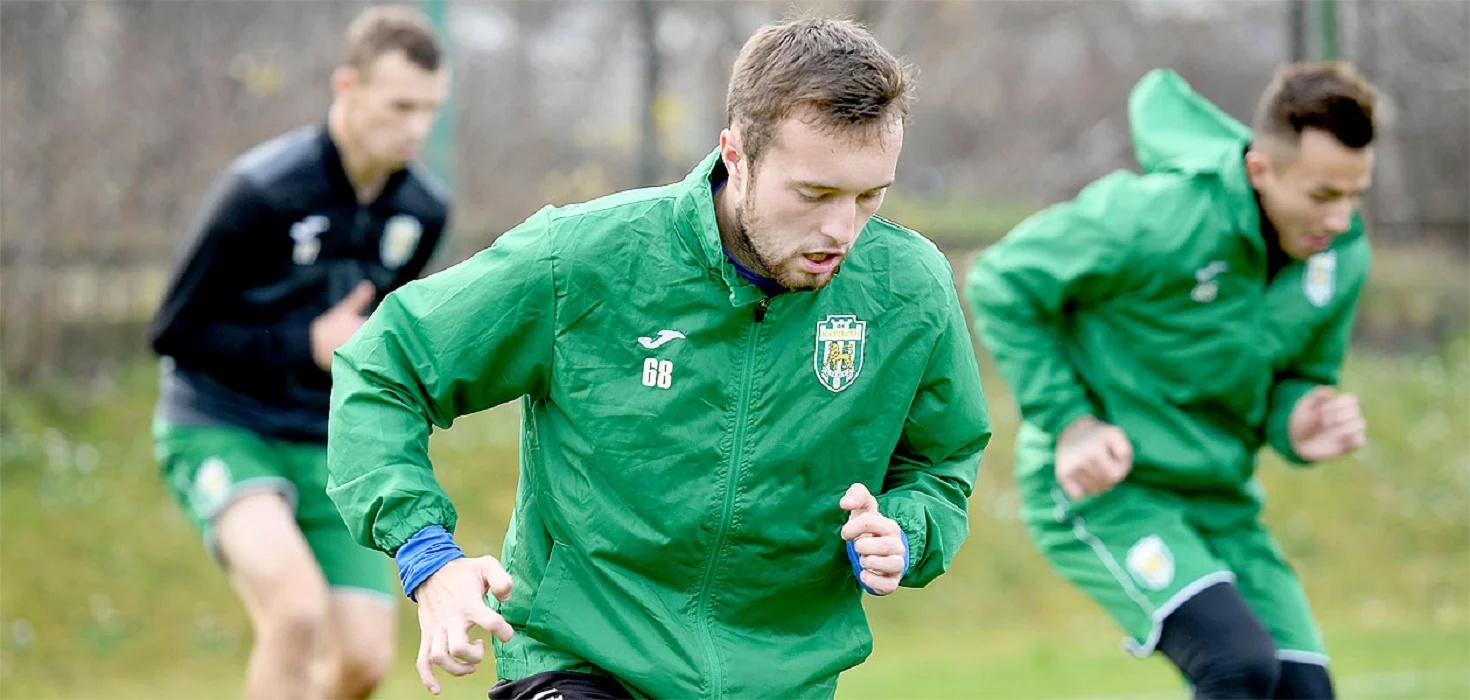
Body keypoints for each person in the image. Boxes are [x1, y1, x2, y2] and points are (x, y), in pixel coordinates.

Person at [325, 15, 992, 700]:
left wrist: (906, 530)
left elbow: (940, 463)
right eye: (814, 194)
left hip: (782, 681)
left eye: (869, 196)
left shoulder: (909, 287)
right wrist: (428, 555)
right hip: (583, 663)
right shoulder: (582, 259)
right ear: (736, 155)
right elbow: (385, 367)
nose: (842, 230)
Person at [965, 62, 1377, 699]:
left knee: (1304, 691)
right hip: (1108, 489)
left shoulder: (1341, 257)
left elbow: (1298, 378)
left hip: (1221, 502)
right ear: (1260, 171)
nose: (1343, 218)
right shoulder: (1158, 216)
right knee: (1236, 665)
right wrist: (1072, 424)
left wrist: (1300, 419)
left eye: (1356, 195)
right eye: (1324, 196)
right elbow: (1002, 281)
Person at [147, 6, 451, 697]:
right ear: (347, 88)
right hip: (221, 424)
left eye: (431, 110)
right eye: (400, 106)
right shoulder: (260, 191)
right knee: (294, 611)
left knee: (364, 661)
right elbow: (174, 331)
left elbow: (380, 333)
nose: (417, 128)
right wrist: (302, 345)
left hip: (325, 440)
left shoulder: (424, 211)